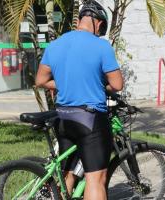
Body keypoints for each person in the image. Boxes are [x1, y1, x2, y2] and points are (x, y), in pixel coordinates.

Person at [35, 1, 123, 199]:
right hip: (89, 119)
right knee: (96, 180)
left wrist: (65, 83)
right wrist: (97, 84)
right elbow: (117, 85)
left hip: (63, 117)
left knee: (67, 174)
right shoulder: (101, 46)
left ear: (78, 21)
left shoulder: (55, 45)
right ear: (99, 24)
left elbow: (40, 80)